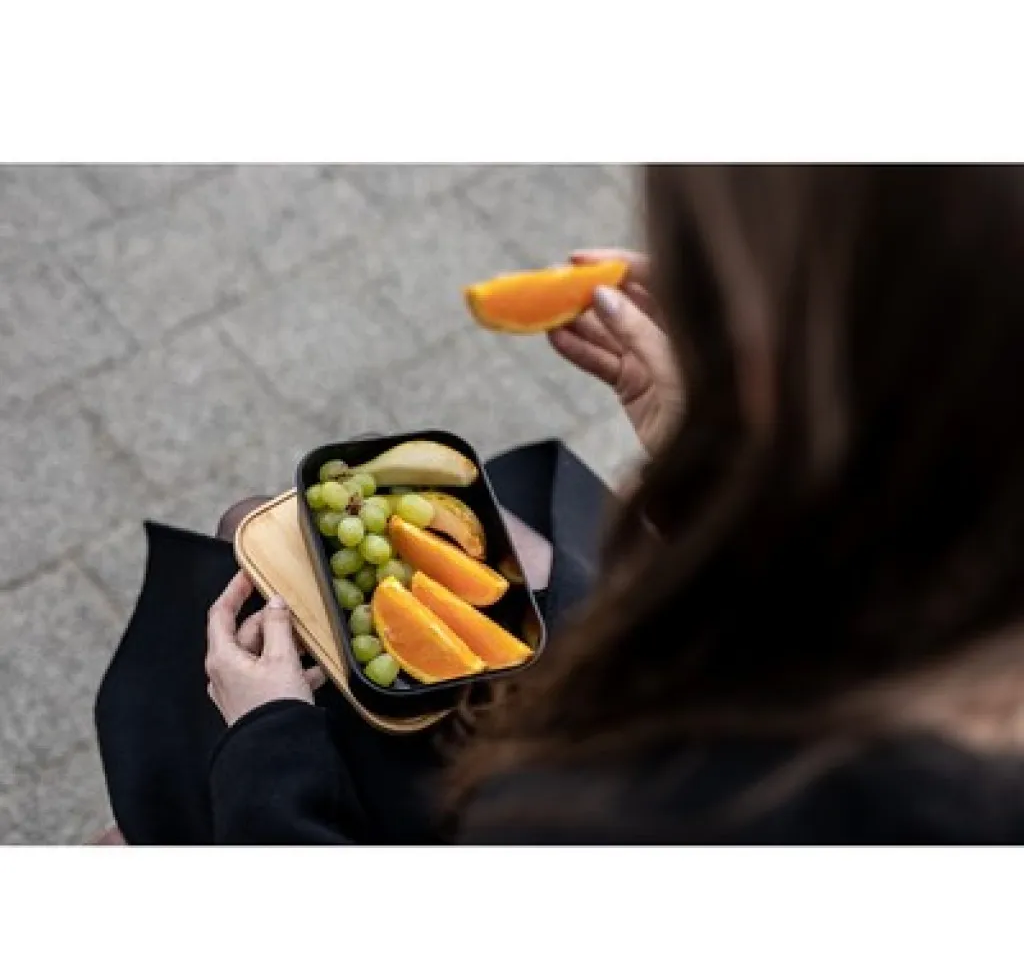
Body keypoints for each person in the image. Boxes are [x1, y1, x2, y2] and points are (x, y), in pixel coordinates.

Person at [100, 165, 1024, 845]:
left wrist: (267, 748)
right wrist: (712, 464)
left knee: (220, 620)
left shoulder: (609, 816)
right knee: (263, 526)